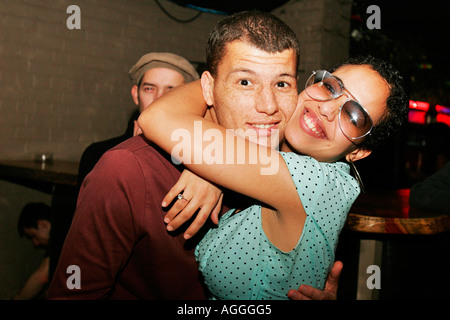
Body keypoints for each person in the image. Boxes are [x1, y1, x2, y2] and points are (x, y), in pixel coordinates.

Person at [48, 11, 342, 300]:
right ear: (208, 89)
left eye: (281, 84)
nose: (268, 106)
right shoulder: (129, 169)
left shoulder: (297, 173)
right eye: (244, 82)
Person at [138, 55, 408, 299]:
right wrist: (211, 168)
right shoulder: (272, 151)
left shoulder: (313, 181)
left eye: (353, 115)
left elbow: (157, 117)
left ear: (359, 152)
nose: (327, 108)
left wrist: (222, 81)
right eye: (330, 87)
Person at [76, 52, 200, 189]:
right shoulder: (97, 154)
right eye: (149, 88)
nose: (158, 98)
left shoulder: (202, 161)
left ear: (189, 100)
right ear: (136, 94)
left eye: (171, 90)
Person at [11, 203, 52, 300]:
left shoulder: (61, 237)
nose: (35, 243)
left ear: (44, 225)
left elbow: (41, 278)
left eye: (34, 236)